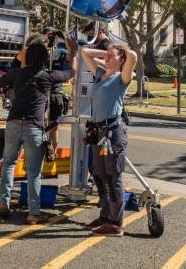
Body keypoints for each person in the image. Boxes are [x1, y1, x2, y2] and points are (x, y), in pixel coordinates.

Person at [0, 38, 76, 223]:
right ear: (45, 58)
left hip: (13, 123)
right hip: (34, 127)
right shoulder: (48, 76)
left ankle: (4, 202)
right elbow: (71, 73)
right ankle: (33, 212)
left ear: (27, 57)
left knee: (8, 163)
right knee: (33, 172)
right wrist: (73, 52)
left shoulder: (16, 74)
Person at [78, 43, 137, 236]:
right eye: (107, 56)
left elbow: (134, 56)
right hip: (97, 131)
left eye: (113, 56)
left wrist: (121, 53)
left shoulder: (122, 78)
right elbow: (84, 52)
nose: (108, 58)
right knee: (99, 173)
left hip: (112, 131)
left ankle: (116, 222)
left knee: (113, 176)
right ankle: (105, 216)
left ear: (121, 61)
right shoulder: (100, 73)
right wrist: (108, 53)